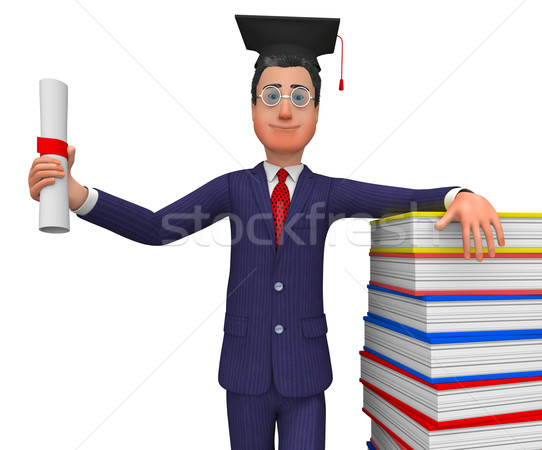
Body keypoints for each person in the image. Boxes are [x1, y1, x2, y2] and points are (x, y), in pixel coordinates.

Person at [28, 15, 505, 450]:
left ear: (317, 112)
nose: (284, 110)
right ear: (252, 109)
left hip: (305, 372)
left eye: (300, 96)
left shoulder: (328, 192)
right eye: (271, 95)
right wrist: (78, 196)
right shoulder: (233, 189)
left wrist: (456, 194)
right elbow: (157, 227)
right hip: (245, 369)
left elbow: (391, 198)